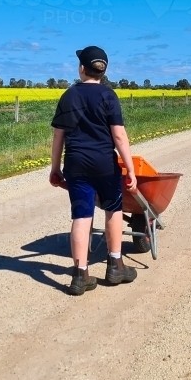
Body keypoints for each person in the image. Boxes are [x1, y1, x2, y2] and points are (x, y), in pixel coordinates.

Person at [49, 46, 138, 295]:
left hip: (76, 164)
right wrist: (130, 169)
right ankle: (116, 265)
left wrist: (55, 168)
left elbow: (59, 136)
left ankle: (80, 276)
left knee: (81, 216)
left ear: (81, 68)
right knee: (113, 209)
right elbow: (119, 136)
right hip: (105, 165)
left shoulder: (69, 96)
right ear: (103, 71)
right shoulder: (109, 96)